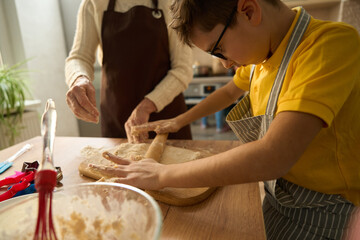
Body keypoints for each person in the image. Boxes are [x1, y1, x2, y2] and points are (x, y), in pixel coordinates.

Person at [89, 0, 360, 239]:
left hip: (328, 216)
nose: (224, 64)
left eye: (218, 50)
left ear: (249, 11)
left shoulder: (329, 46)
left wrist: (161, 175)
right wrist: (179, 120)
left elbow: (273, 156)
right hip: (279, 202)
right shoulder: (263, 57)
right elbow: (229, 91)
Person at [65, 0, 193, 143]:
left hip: (167, 119)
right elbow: (79, 57)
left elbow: (183, 69)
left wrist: (147, 106)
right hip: (117, 118)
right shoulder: (93, 3)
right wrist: (79, 78)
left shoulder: (172, 2)